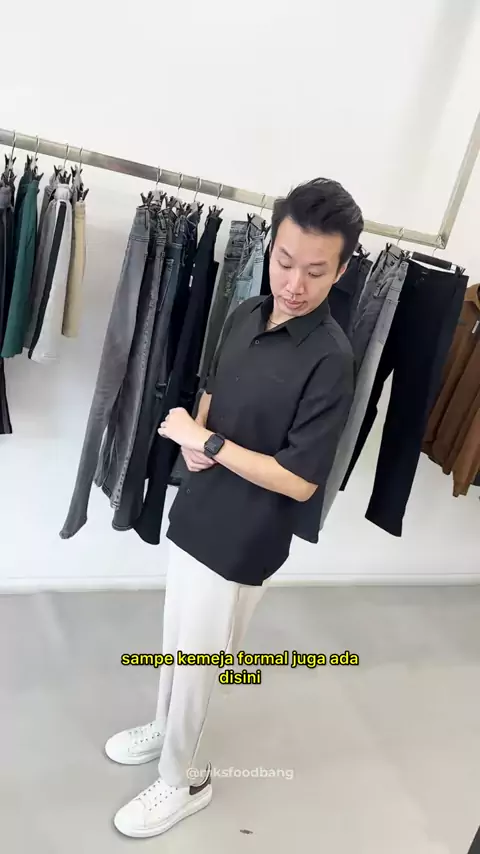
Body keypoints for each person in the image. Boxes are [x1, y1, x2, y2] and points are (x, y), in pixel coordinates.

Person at [106, 177, 363, 838]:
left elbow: (299, 481)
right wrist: (199, 435)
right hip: (198, 510)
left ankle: (182, 780)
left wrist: (208, 443)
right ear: (271, 245)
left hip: (245, 539)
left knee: (201, 665)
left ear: (341, 270)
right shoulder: (246, 314)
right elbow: (213, 392)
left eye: (315, 272)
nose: (294, 284)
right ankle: (163, 727)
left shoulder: (331, 360)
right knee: (176, 642)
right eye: (284, 261)